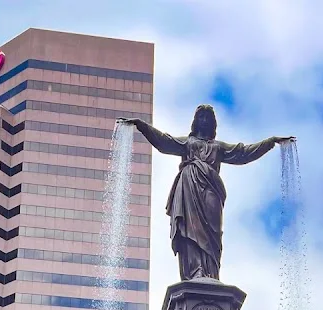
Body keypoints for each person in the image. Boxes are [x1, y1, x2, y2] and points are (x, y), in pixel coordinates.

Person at [121, 106, 293, 280]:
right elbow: (164, 142)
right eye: (201, 117)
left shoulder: (218, 147)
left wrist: (270, 142)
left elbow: (243, 153)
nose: (204, 120)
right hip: (189, 185)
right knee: (190, 228)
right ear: (195, 121)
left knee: (213, 231)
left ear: (213, 123)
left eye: (207, 117)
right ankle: (196, 270)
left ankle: (211, 272)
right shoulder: (188, 142)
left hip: (212, 188)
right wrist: (142, 126)